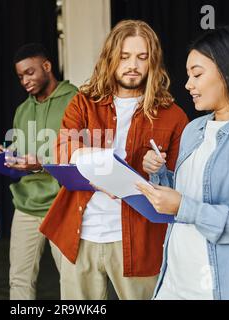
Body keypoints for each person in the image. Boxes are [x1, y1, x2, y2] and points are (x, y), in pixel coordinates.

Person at [39, 20, 189, 300]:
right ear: (110, 58)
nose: (132, 64)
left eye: (142, 57)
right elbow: (62, 147)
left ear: (152, 62)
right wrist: (100, 168)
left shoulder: (174, 115)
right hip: (79, 236)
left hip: (140, 242)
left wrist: (155, 171)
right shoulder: (83, 102)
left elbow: (183, 184)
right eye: (124, 56)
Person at [138, 26, 229, 300]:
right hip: (175, 280)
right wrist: (160, 176)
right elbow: (191, 195)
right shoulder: (195, 129)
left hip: (219, 289)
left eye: (197, 74)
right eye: (188, 75)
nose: (188, 85)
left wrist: (183, 206)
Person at [0, 43, 78, 299]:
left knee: (73, 281)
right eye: (20, 76)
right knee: (19, 279)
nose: (25, 81)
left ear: (47, 66)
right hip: (26, 205)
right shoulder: (22, 110)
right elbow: (21, 150)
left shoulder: (76, 100)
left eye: (30, 73)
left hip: (63, 204)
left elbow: (82, 154)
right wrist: (8, 157)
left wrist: (41, 162)